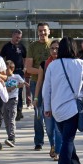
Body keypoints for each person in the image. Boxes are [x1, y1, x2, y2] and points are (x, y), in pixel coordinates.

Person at [42, 37, 83, 164]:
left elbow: (46, 88)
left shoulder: (52, 65)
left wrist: (47, 107)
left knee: (67, 138)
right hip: (73, 108)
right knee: (68, 140)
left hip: (56, 108)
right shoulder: (81, 64)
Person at [24, 22, 52, 150]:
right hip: (37, 84)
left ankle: (54, 141)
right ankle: (39, 141)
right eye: (40, 31)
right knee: (38, 112)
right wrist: (43, 71)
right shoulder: (33, 46)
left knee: (53, 112)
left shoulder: (54, 44)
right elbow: (28, 68)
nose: (42, 33)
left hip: (53, 83)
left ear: (49, 31)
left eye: (44, 30)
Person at [36, 39, 62, 158]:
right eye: (52, 48)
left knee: (58, 127)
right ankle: (52, 144)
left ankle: (56, 150)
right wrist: (36, 98)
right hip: (47, 99)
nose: (55, 50)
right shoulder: (44, 64)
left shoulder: (64, 63)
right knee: (50, 127)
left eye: (57, 48)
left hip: (60, 100)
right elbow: (39, 82)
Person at [0, 29, 27, 120]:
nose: (17, 39)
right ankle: (8, 109)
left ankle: (18, 111)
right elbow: (1, 58)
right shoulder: (6, 47)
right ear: (12, 36)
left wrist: (24, 68)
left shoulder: (22, 47)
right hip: (9, 72)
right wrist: (3, 70)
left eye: (19, 38)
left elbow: (25, 58)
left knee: (19, 91)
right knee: (9, 89)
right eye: (16, 37)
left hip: (19, 71)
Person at [3, 60, 25, 146]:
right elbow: (6, 89)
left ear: (12, 69)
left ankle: (11, 137)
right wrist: (15, 86)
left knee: (12, 118)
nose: (5, 70)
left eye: (7, 69)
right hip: (5, 100)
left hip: (13, 100)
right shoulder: (3, 77)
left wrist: (22, 84)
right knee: (6, 120)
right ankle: (9, 136)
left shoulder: (16, 76)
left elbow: (22, 83)